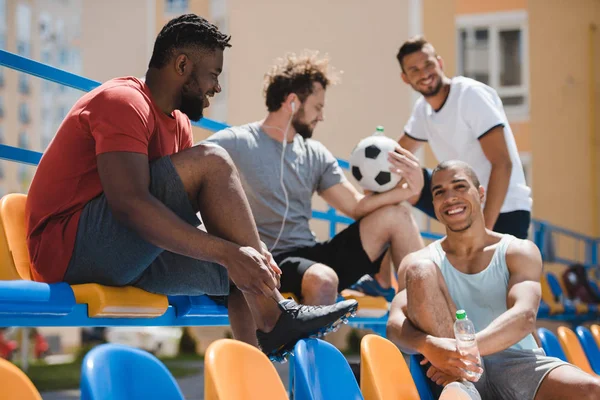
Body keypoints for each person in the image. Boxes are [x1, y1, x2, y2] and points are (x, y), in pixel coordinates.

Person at [25, 14, 358, 361]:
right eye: (213, 75)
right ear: (182, 65)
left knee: (240, 272)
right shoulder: (123, 101)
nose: (216, 87)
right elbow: (129, 204)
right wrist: (229, 252)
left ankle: (259, 371)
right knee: (214, 163)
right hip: (67, 250)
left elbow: (179, 221)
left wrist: (252, 253)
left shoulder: (179, 123)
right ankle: (277, 315)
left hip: (125, 251)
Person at [204, 51, 425, 306]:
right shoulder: (237, 142)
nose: (321, 116)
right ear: (293, 102)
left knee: (398, 215)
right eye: (317, 107)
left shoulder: (315, 153)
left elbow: (355, 207)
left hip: (313, 256)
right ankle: (308, 347)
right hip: (271, 262)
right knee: (323, 279)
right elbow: (192, 168)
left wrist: (408, 190)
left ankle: (422, 316)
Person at [386, 160, 600, 399]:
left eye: (460, 187)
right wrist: (428, 345)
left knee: (592, 391)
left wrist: (463, 351)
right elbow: (395, 325)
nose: (450, 197)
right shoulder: (419, 260)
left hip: (518, 363)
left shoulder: (517, 251)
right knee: (420, 269)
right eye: (439, 192)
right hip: (456, 373)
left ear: (480, 193)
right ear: (434, 203)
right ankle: (460, 383)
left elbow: (524, 316)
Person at [396, 36, 532, 240]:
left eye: (428, 64)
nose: (424, 73)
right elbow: (395, 156)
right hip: (464, 205)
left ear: (440, 63)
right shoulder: (423, 110)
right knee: (400, 173)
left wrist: (482, 232)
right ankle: (380, 264)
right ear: (405, 78)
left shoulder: (470, 95)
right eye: (414, 69)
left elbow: (503, 163)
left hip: (504, 210)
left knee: (493, 270)